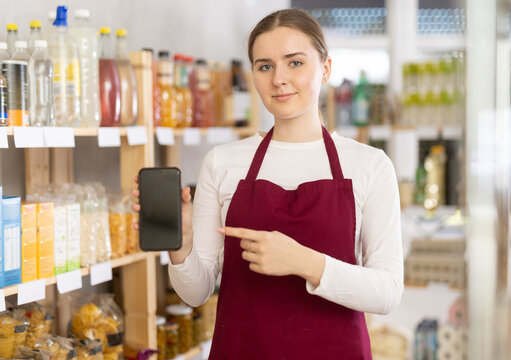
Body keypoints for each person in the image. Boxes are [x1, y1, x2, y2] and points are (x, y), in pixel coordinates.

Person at [133, 8, 403, 359]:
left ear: (326, 69)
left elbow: (387, 293)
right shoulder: (223, 162)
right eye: (265, 66)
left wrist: (304, 261)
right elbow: (195, 293)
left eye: (295, 63)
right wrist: (181, 247)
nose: (279, 79)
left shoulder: (369, 165)